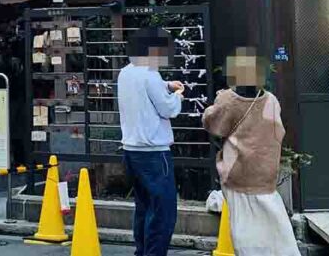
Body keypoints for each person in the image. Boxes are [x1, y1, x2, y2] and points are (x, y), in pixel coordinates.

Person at [202, 47, 298, 256]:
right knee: (275, 226)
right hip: (265, 173)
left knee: (245, 229)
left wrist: (217, 103)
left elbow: (213, 124)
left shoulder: (229, 99)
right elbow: (278, 131)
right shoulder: (270, 100)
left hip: (238, 174)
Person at [118, 26, 183, 256]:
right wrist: (177, 95)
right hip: (154, 152)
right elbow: (168, 109)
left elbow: (144, 93)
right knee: (163, 212)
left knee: (144, 208)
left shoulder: (125, 73)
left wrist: (166, 86)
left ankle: (142, 252)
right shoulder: (150, 74)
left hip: (131, 150)